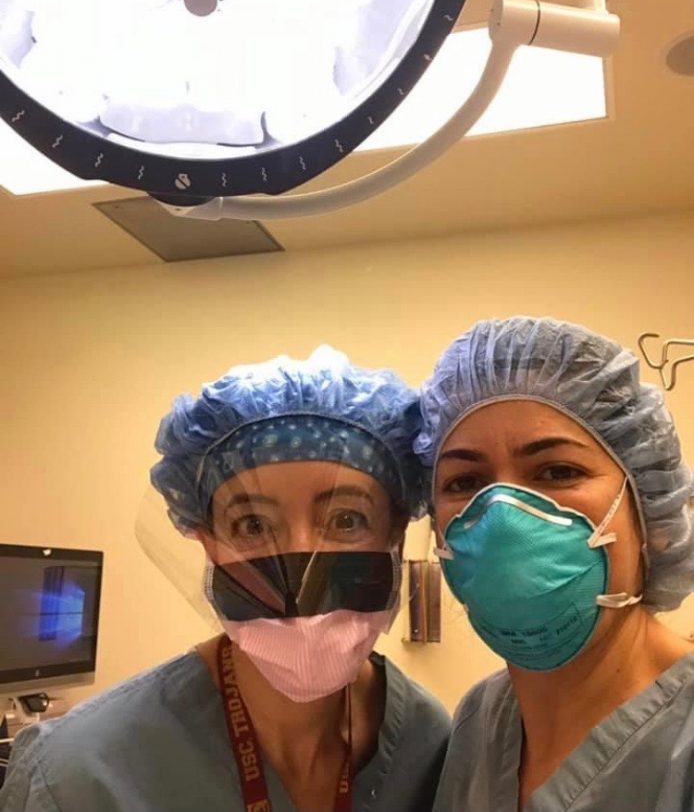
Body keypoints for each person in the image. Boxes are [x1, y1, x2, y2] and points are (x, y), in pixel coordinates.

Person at [2, 346, 450, 812]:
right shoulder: (77, 777)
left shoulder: (427, 744)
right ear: (209, 543)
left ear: (395, 536)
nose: (300, 577)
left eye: (345, 520)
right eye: (253, 526)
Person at [415, 317, 694, 812]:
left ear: (651, 513)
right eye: (463, 481)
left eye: (557, 471)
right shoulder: (481, 720)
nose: (502, 518)